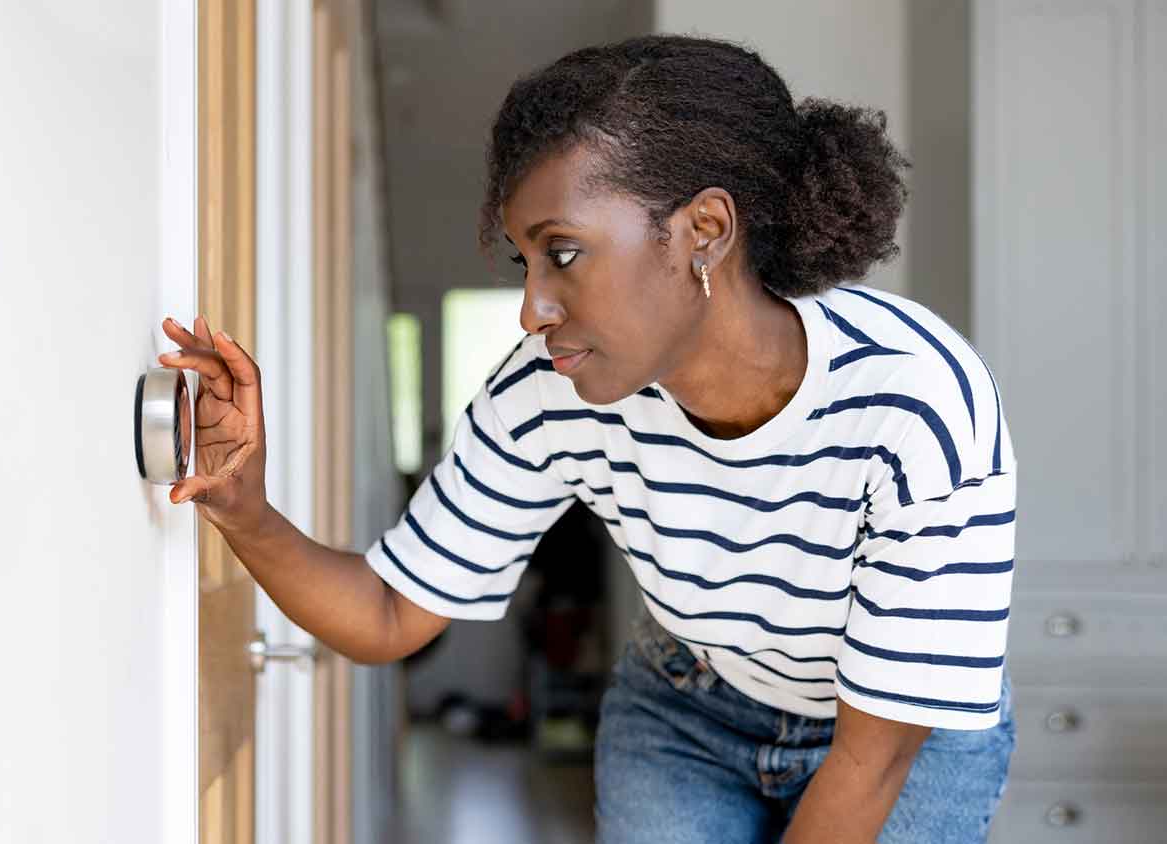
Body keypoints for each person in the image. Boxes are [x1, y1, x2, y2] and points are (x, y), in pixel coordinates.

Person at [158, 33, 1016, 844]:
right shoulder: (549, 392)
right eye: (523, 265)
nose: (533, 309)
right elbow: (388, 614)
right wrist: (244, 509)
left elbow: (874, 757)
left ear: (705, 231)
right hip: (688, 710)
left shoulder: (912, 402)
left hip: (902, 735)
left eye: (562, 254)